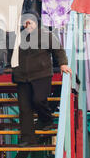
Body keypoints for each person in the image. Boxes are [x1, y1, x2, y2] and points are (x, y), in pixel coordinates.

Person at [12, 10, 72, 146]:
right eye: (26, 22)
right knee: (24, 108)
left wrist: (63, 64)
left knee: (39, 100)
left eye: (31, 22)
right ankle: (27, 138)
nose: (28, 25)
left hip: (41, 74)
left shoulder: (45, 35)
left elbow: (58, 49)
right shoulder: (18, 37)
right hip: (22, 77)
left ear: (36, 22)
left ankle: (47, 120)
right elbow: (11, 53)